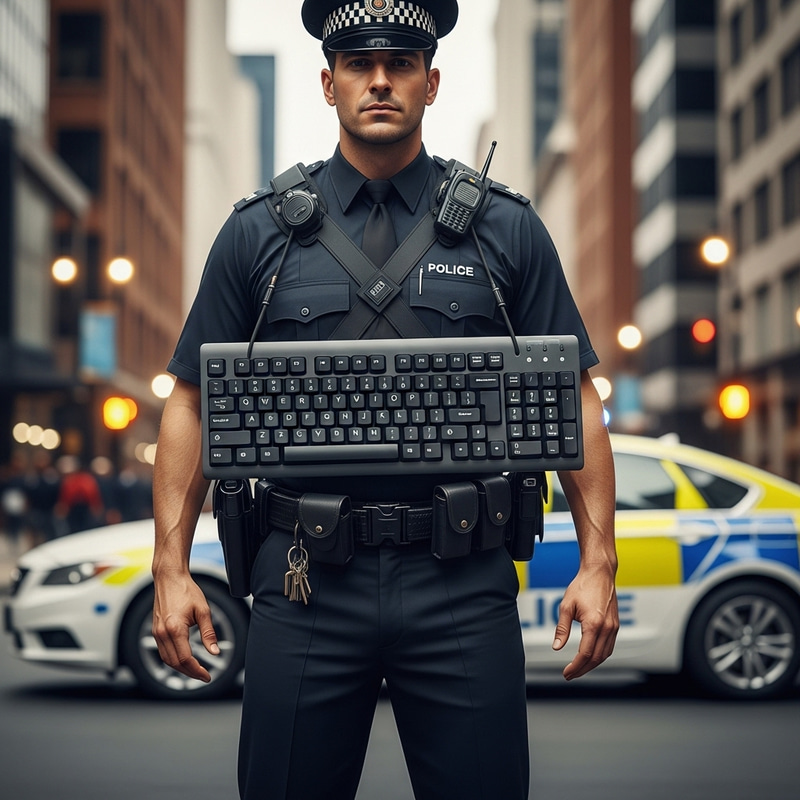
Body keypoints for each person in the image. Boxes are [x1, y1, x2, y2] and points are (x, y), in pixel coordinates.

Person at [152, 2, 619, 798]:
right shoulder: (255, 234)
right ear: (327, 82)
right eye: (358, 64)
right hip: (303, 578)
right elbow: (190, 402)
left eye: (400, 64)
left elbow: (573, 397)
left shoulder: (506, 229)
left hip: (462, 577)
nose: (379, 80)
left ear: (430, 84)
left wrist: (598, 561)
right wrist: (169, 566)